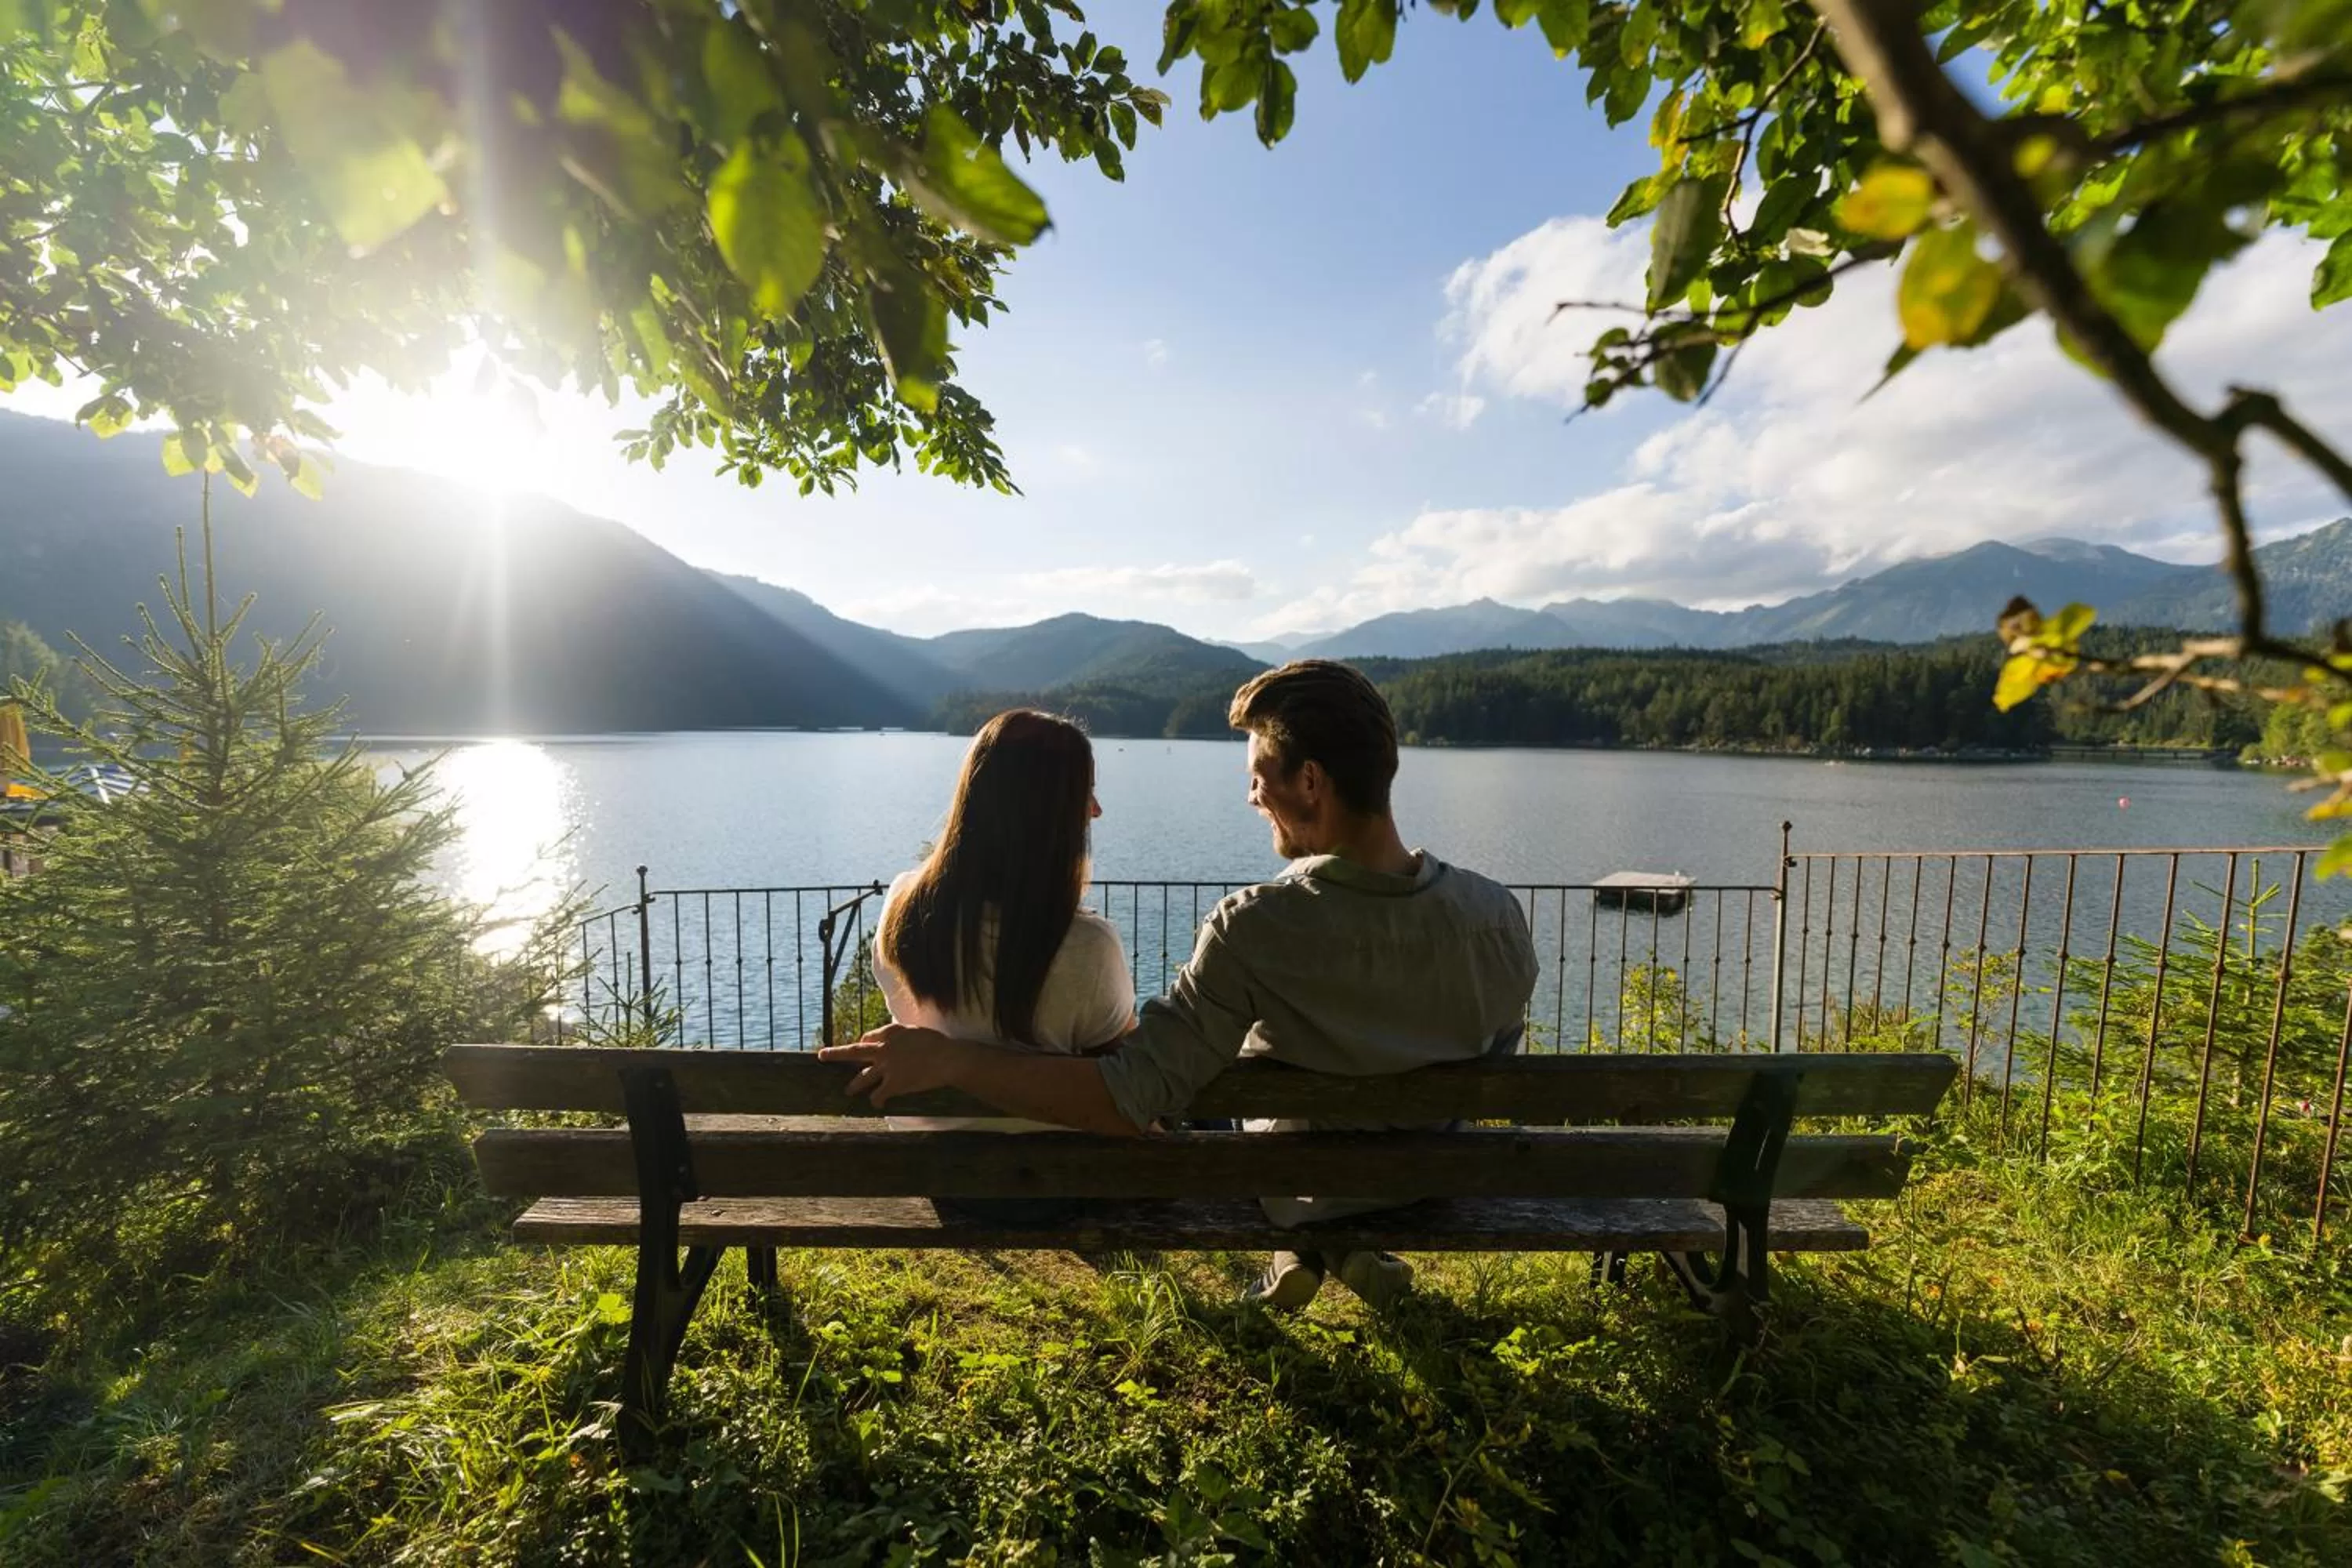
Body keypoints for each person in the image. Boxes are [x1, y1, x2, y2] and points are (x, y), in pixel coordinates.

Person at [823, 661, 1537, 1310]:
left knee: (1206, 1088)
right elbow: (1493, 1067)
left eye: (1260, 773)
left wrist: (952, 1060)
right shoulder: (1499, 918)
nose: (1253, 794)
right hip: (1429, 1179)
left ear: (1311, 783)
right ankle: (1335, 1244)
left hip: (1297, 1186)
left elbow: (1133, 1091)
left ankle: (1313, 1238)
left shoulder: (1258, 928)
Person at [869, 709, 1136, 1221]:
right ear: (1048, 812)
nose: (1096, 811)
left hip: (935, 1172)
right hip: (1059, 1182)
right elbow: (1122, 1076)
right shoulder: (1086, 945)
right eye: (1085, 792)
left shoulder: (903, 906)